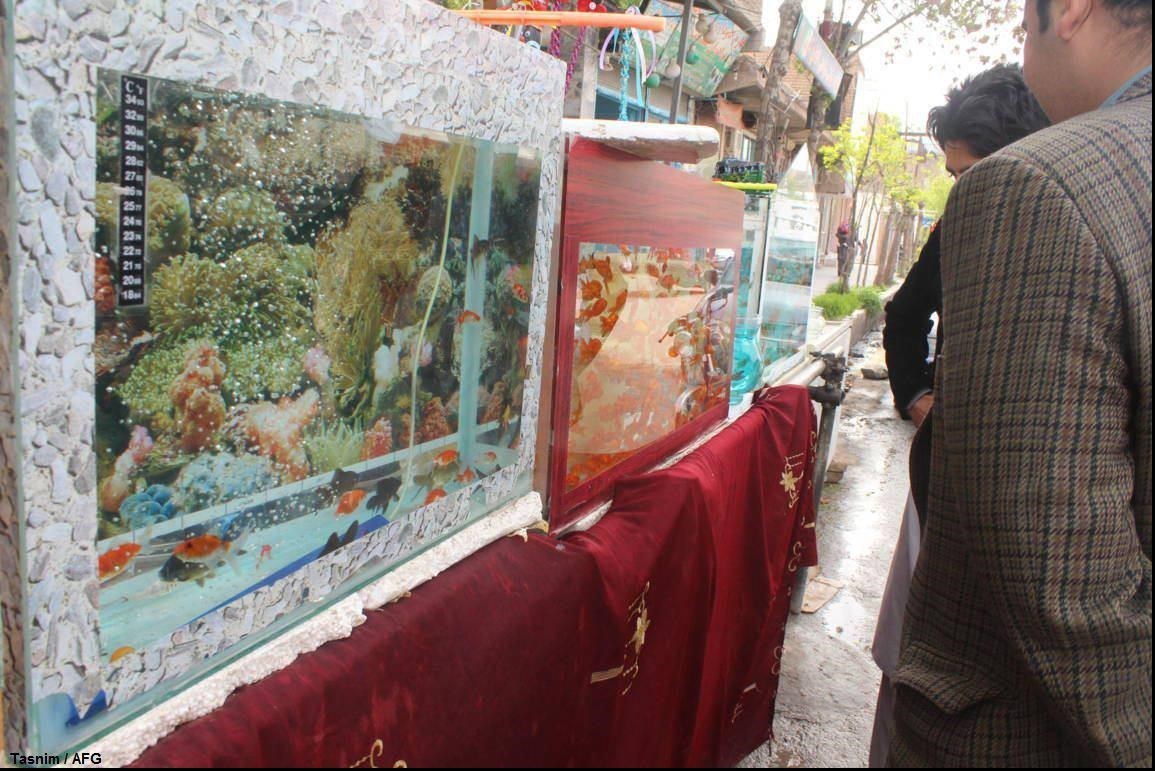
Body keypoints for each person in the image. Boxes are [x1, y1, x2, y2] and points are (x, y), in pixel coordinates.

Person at [890, 0, 1151, 766]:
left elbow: (1055, 573)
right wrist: (919, 396)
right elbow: (905, 314)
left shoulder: (1037, 187)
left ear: (1068, 10)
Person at [869, 65, 1050, 768]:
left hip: (1032, 505)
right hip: (941, 481)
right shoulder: (955, 230)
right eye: (953, 178)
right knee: (908, 658)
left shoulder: (1066, 228)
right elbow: (904, 315)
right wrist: (917, 397)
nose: (961, 194)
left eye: (972, 177)